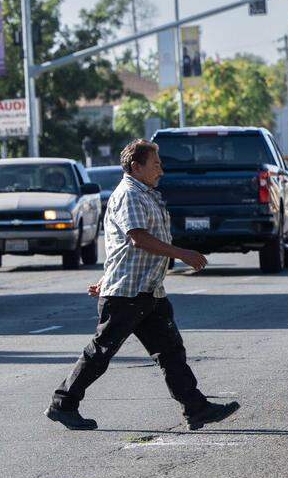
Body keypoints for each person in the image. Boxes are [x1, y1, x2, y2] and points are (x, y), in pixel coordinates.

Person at [45, 139, 240, 431]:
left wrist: (104, 278)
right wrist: (182, 254)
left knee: (171, 351)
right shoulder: (130, 195)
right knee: (101, 352)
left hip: (147, 291)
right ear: (137, 167)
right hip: (128, 293)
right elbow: (137, 238)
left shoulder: (145, 194)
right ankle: (63, 403)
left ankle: (196, 408)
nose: (161, 169)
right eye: (156, 164)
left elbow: (119, 247)